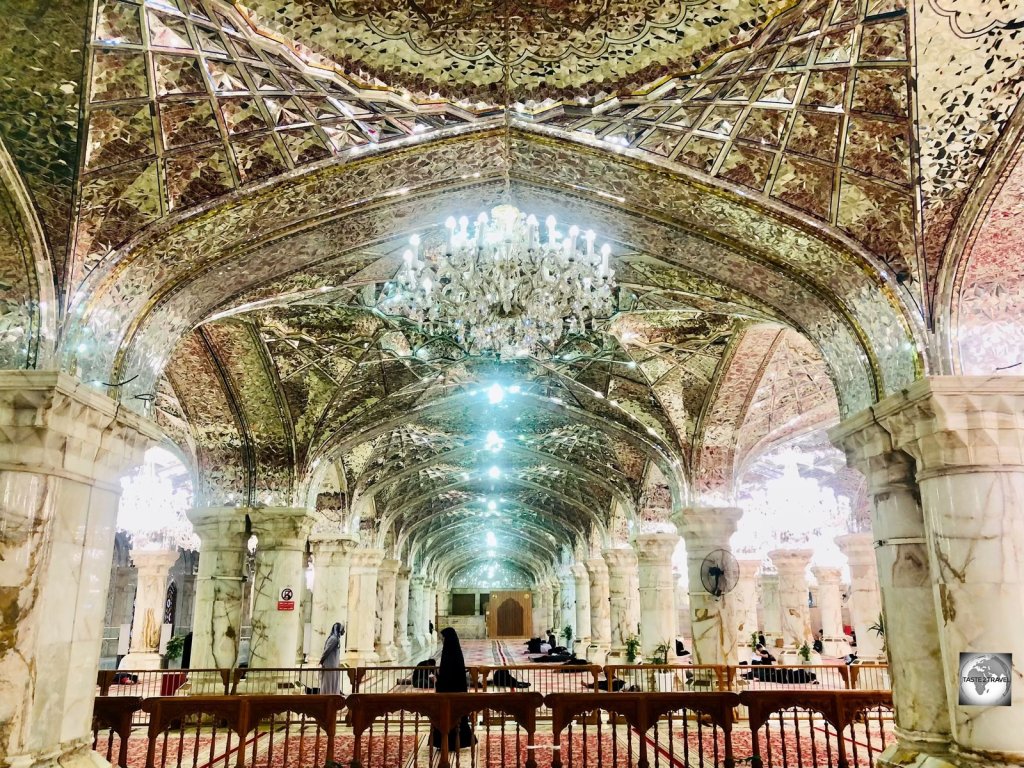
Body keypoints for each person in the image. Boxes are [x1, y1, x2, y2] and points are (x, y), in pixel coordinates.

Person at [433, 627, 476, 751]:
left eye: (443, 638)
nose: (442, 640)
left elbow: (448, 675)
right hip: (454, 693)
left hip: (450, 694)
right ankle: (451, 743)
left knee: (451, 719)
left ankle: (451, 743)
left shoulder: (450, 653)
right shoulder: (454, 651)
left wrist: (439, 680)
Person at [319, 622, 344, 695]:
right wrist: (321, 660)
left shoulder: (336, 639)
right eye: (342, 630)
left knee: (332, 681)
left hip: (333, 665)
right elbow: (327, 651)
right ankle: (328, 696)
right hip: (330, 665)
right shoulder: (333, 639)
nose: (343, 632)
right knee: (329, 682)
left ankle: (333, 695)